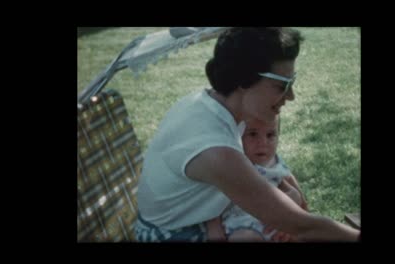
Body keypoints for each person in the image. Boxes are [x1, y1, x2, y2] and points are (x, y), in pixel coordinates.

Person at [134, 27, 360, 242]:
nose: (291, 96)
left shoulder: (215, 104)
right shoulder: (215, 149)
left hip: (198, 215)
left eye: (293, 82)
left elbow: (277, 180)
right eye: (282, 85)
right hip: (177, 232)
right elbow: (299, 225)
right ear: (244, 79)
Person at [221, 116, 308, 242]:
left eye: (270, 135)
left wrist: (294, 207)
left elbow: (294, 191)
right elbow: (210, 199)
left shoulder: (274, 163)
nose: (263, 142)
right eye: (253, 134)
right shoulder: (232, 163)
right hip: (241, 223)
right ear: (237, 136)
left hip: (276, 222)